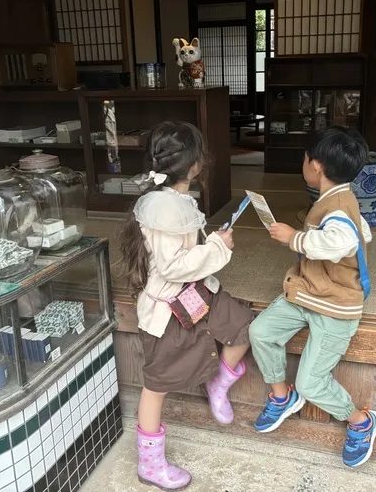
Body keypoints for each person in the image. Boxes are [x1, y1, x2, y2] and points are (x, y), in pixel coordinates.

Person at [120, 121, 253, 490]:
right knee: (156, 386)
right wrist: (217, 249)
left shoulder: (172, 200)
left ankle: (218, 385)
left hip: (198, 293)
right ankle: (150, 464)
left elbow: (181, 256)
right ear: (195, 165)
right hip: (168, 309)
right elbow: (172, 266)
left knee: (244, 327)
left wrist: (211, 243)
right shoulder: (164, 207)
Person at [248, 126, 376, 468]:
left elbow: (342, 241)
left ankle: (360, 422)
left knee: (310, 382)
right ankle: (281, 396)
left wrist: (295, 238)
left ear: (317, 166)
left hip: (335, 305)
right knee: (261, 332)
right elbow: (359, 229)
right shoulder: (338, 198)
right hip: (308, 291)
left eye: (305, 158)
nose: (303, 163)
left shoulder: (336, 206)